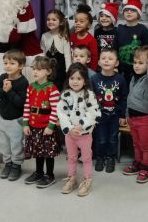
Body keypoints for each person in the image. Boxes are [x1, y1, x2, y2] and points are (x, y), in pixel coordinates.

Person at [58, 63, 101, 197]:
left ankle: (87, 180)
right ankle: (72, 178)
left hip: (84, 135)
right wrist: (70, 128)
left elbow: (93, 112)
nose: (75, 81)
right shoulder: (65, 95)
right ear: (68, 79)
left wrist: (81, 125)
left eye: (78, 78)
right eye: (72, 78)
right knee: (71, 158)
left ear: (85, 80)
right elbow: (61, 113)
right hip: (70, 135)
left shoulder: (89, 95)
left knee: (86, 158)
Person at [122, 46, 148, 183]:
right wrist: (127, 114)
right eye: (135, 62)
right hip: (132, 117)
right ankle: (137, 163)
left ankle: (146, 166)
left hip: (145, 118)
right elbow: (130, 97)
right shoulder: (133, 78)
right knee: (136, 143)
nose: (136, 66)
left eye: (141, 63)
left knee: (145, 144)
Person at [23, 56, 60, 188]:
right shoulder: (31, 87)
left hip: (46, 127)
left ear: (48, 72)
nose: (35, 72)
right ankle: (39, 172)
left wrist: (50, 126)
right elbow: (27, 105)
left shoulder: (52, 88)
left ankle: (50, 175)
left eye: (39, 69)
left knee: (48, 152)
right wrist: (25, 123)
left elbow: (56, 110)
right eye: (34, 69)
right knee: (38, 151)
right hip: (34, 126)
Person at [0, 49, 28, 181]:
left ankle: (16, 165)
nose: (7, 66)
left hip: (15, 120)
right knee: (3, 144)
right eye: (5, 62)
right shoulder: (2, 77)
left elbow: (20, 103)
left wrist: (9, 91)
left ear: (21, 66)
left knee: (16, 144)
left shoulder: (23, 82)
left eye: (12, 63)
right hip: (1, 118)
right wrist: (3, 89)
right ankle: (8, 163)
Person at [91, 49, 127, 173]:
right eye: (103, 58)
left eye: (110, 58)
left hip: (115, 115)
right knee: (100, 138)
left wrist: (122, 115)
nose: (106, 60)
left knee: (112, 138)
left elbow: (123, 98)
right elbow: (90, 98)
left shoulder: (120, 79)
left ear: (116, 63)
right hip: (99, 115)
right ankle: (100, 158)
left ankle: (110, 158)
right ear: (99, 62)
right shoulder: (94, 79)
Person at [117, 0, 148, 84]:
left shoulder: (143, 29)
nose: (129, 12)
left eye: (133, 10)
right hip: (121, 70)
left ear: (139, 13)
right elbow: (114, 48)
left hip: (138, 70)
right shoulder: (119, 29)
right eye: (126, 10)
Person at [40, 9, 71, 91]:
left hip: (61, 70)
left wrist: (69, 72)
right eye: (48, 19)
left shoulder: (64, 36)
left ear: (61, 22)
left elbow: (67, 56)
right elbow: (42, 54)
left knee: (59, 89)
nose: (50, 21)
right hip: (48, 69)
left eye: (54, 19)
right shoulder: (44, 36)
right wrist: (42, 68)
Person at [70, 4, 98, 71]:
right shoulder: (72, 37)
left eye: (81, 21)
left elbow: (94, 58)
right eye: (76, 21)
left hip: (86, 71)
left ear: (89, 25)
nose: (77, 23)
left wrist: (92, 72)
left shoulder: (91, 40)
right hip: (73, 69)